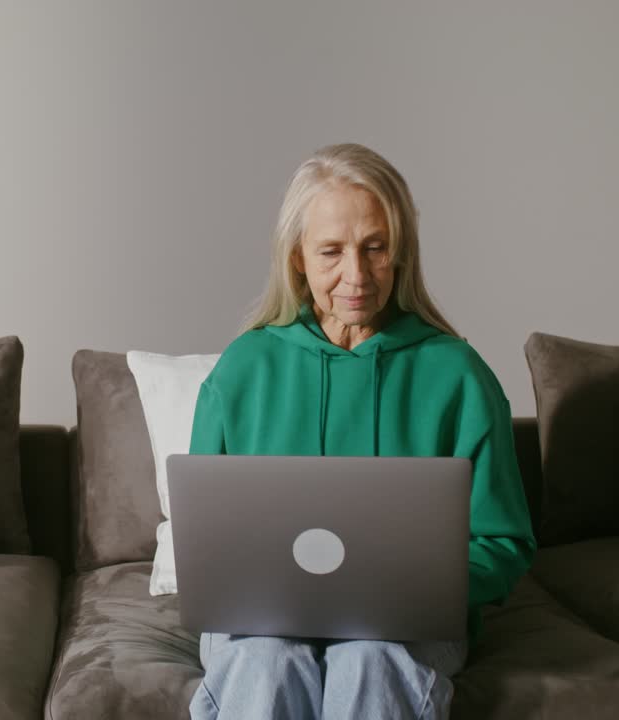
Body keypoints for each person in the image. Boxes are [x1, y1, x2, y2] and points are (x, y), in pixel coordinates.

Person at [187, 143, 536, 720]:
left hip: (409, 624)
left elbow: (503, 541)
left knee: (370, 658)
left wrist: (422, 590)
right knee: (269, 662)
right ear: (297, 256)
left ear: (400, 252)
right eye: (331, 252)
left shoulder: (459, 376)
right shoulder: (243, 368)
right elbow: (207, 542)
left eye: (376, 248)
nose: (357, 275)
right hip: (258, 628)